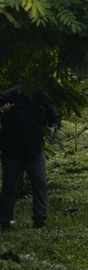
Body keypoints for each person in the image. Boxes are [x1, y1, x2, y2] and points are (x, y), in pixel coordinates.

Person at [0, 85, 61, 230]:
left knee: (40, 183)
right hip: (12, 151)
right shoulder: (9, 95)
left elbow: (54, 116)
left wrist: (53, 127)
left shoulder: (41, 96)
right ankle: (5, 221)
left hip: (35, 150)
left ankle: (40, 219)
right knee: (9, 187)